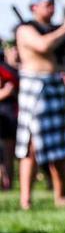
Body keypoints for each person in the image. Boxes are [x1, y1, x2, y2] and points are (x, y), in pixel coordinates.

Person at [14, 0, 65, 209]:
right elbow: (43, 45)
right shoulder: (25, 29)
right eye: (46, 4)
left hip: (55, 85)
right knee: (31, 144)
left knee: (59, 143)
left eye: (52, 3)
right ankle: (26, 199)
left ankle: (61, 195)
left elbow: (64, 57)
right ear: (34, 6)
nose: (51, 7)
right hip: (35, 86)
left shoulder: (56, 30)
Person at [0, 40, 18, 190]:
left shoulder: (15, 69)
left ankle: (8, 184)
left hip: (11, 113)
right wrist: (5, 93)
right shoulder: (3, 69)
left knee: (8, 153)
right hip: (4, 112)